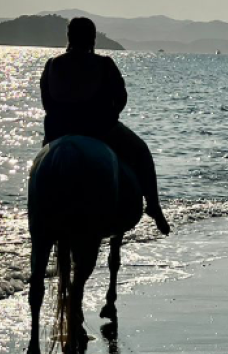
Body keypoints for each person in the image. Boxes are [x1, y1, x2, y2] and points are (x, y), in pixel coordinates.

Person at [40, 17, 171, 235]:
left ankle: (37, 213)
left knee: (41, 166)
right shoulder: (104, 64)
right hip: (99, 130)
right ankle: (154, 206)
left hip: (58, 133)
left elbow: (47, 103)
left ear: (69, 37)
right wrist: (108, 117)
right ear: (92, 38)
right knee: (141, 152)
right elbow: (121, 97)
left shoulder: (52, 65)